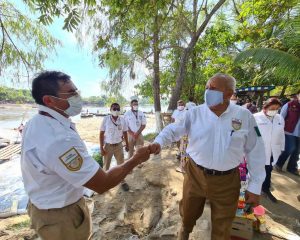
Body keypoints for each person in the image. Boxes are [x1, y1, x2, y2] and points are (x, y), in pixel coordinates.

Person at [21, 71, 152, 240]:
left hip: (46, 207)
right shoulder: (58, 138)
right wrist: (136, 159)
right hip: (61, 217)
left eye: (77, 91)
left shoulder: (37, 122)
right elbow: (102, 183)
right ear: (49, 100)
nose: (77, 96)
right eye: (71, 93)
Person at [149, 73, 266, 240]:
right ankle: (185, 231)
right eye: (207, 88)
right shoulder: (194, 113)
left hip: (227, 181)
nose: (207, 91)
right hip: (195, 174)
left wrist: (255, 187)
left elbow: (256, 150)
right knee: (188, 213)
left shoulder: (244, 116)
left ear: (228, 93)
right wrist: (158, 142)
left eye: (213, 88)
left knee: (223, 224)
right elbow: (173, 130)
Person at [254, 98, 285, 202]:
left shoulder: (279, 118)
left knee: (268, 170)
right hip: (258, 150)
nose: (275, 110)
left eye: (277, 108)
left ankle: (266, 189)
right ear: (265, 107)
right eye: (272, 108)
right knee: (255, 171)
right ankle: (252, 190)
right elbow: (253, 133)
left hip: (272, 150)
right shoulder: (255, 117)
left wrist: (281, 147)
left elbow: (281, 134)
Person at [100, 103, 130, 191]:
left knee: (121, 165)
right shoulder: (105, 119)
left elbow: (125, 132)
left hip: (119, 145)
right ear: (110, 109)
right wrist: (101, 147)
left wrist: (127, 144)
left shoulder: (122, 120)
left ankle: (123, 181)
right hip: (108, 146)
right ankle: (104, 183)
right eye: (114, 108)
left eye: (118, 109)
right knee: (106, 165)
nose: (116, 110)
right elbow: (101, 134)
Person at [275, 93, 300, 176]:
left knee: (297, 151)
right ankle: (279, 163)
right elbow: (281, 117)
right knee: (291, 147)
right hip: (289, 131)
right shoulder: (289, 104)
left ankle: (292, 167)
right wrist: (279, 129)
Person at [172, 100, 188, 171]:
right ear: (177, 105)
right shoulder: (175, 111)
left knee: (184, 148)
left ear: (184, 105)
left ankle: (183, 167)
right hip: (177, 131)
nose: (180, 106)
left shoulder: (187, 112)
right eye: (179, 104)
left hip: (184, 132)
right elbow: (173, 120)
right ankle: (180, 156)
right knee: (180, 146)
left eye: (181, 104)